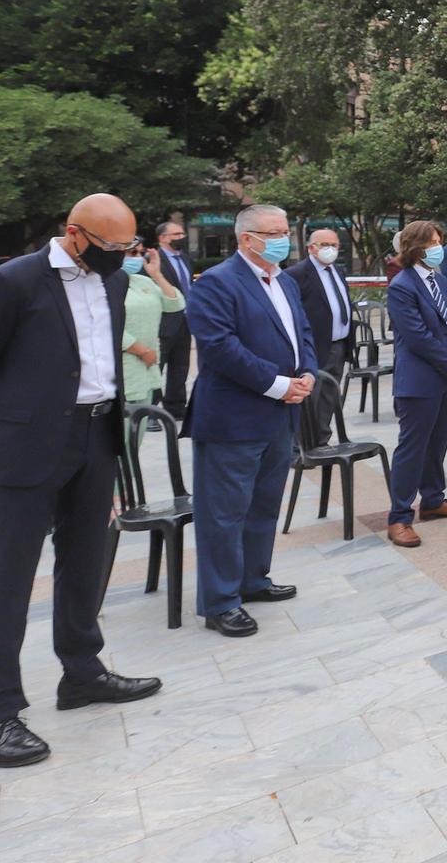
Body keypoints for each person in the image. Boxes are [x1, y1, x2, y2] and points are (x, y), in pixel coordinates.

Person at [0, 193, 162, 766]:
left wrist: (108, 447)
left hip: (94, 437)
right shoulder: (12, 283)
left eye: (129, 248)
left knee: (86, 560)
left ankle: (82, 672)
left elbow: (103, 365)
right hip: (25, 448)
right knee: (11, 578)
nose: (123, 257)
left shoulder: (113, 283)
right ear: (75, 233)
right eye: (112, 247)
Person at [184, 205, 314, 638]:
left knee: (263, 503)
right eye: (273, 233)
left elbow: (303, 333)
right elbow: (220, 348)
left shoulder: (286, 281)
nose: (283, 240)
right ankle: (220, 602)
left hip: (280, 414)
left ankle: (253, 579)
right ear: (246, 239)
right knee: (224, 512)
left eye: (285, 232)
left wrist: (307, 371)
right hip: (234, 417)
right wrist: (278, 383)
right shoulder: (217, 284)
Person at [383, 221, 447, 547]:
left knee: (438, 442)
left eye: (439, 241)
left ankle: (434, 500)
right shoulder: (402, 286)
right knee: (413, 448)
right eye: (433, 242)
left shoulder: (438, 279)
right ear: (415, 248)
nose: (438, 247)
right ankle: (399, 516)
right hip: (421, 379)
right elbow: (417, 337)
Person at [283, 227, 355, 380]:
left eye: (334, 245)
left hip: (340, 345)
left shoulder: (338, 270)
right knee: (316, 397)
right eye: (324, 244)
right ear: (311, 248)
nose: (330, 249)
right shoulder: (296, 274)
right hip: (317, 348)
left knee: (332, 393)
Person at [121, 242, 186, 407]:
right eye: (132, 253)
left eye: (140, 253)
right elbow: (107, 326)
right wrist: (142, 351)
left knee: (140, 425)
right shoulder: (104, 284)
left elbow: (175, 303)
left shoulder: (142, 281)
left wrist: (157, 275)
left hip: (147, 365)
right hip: (125, 363)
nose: (138, 258)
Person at [153, 220, 196, 420]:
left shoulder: (185, 259)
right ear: (163, 238)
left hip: (185, 321)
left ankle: (176, 408)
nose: (181, 238)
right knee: (156, 367)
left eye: (182, 234)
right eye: (176, 234)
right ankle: (151, 412)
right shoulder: (153, 259)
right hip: (161, 321)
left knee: (181, 366)